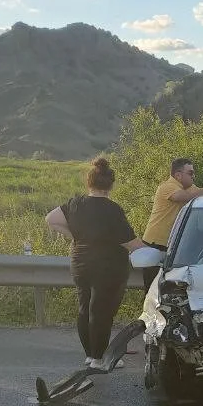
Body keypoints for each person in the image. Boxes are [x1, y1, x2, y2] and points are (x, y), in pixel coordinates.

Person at [46, 158, 146, 370]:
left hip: (80, 262)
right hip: (108, 266)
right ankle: (100, 359)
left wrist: (74, 235)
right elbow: (129, 242)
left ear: (88, 182)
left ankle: (91, 356)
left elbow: (51, 219)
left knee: (85, 307)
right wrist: (153, 251)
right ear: (111, 185)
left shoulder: (76, 203)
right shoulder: (112, 209)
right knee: (102, 311)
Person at [140, 158, 203, 291]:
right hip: (156, 246)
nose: (194, 176)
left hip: (172, 247)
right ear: (178, 175)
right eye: (190, 173)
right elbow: (183, 197)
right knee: (153, 291)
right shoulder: (167, 187)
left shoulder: (190, 189)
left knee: (172, 291)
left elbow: (202, 196)